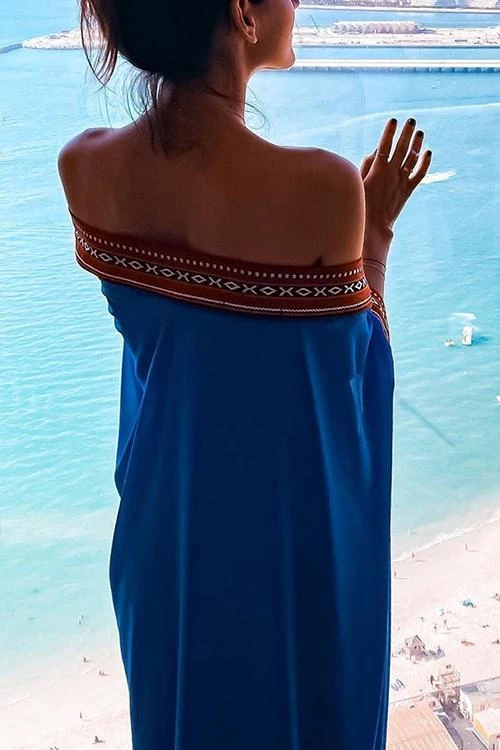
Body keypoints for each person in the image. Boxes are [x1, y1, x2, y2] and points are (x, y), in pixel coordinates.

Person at [57, 0, 431, 747]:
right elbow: (356, 381)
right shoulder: (324, 188)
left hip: (166, 538)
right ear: (241, 12)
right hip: (285, 549)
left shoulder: (85, 166)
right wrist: (378, 236)